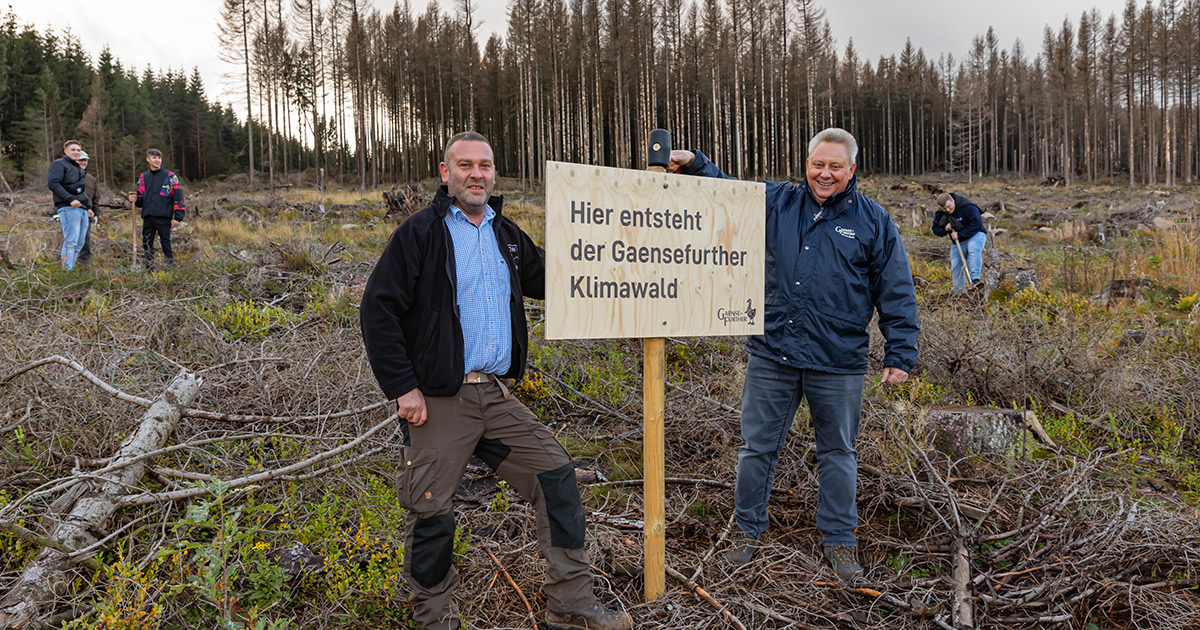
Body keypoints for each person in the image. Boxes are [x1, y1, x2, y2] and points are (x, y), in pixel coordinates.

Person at [359, 132, 632, 630]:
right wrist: (403, 387)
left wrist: (621, 266)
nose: (476, 174)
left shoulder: (504, 233)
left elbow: (551, 277)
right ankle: (433, 620)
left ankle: (570, 606)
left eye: (484, 165)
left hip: (494, 395)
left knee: (556, 475)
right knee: (431, 510)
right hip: (440, 399)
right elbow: (378, 311)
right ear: (446, 173)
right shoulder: (421, 233)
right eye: (465, 165)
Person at [669, 128, 919, 582]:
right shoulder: (778, 202)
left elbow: (896, 289)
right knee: (756, 448)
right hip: (773, 353)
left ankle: (841, 543)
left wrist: (900, 351)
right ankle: (747, 531)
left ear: (851, 169)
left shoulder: (873, 221)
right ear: (806, 164)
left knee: (838, 452)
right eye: (817, 164)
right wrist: (697, 164)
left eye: (835, 166)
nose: (825, 173)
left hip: (837, 360)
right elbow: (731, 191)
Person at [126, 148, 185, 269]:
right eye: (154, 158)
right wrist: (135, 199)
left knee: (166, 244)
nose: (157, 160)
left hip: (164, 217)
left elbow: (178, 196)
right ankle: (149, 269)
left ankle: (168, 269)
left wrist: (178, 217)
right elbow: (141, 200)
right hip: (148, 217)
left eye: (159, 158)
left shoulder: (170, 176)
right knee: (147, 245)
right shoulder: (143, 177)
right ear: (148, 159)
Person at [47, 139, 93, 270]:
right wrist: (70, 199)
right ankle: (66, 271)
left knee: (79, 243)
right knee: (70, 242)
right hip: (68, 208)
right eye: (73, 149)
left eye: (78, 150)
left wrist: (88, 207)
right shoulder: (59, 165)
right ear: (65, 151)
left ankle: (70, 268)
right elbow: (53, 184)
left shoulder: (78, 169)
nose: (76, 152)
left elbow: (81, 191)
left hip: (82, 209)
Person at [931, 192, 987, 292]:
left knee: (973, 247)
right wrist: (945, 228)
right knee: (956, 264)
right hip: (958, 241)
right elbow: (935, 230)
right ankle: (959, 293)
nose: (948, 210)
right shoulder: (941, 214)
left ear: (952, 200)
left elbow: (977, 223)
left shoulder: (967, 207)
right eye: (944, 209)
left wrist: (960, 234)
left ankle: (975, 280)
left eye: (949, 206)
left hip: (976, 234)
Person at [77, 151, 99, 267]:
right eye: (81, 160)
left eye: (85, 160)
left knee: (85, 240)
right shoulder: (68, 175)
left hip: (87, 213)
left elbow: (96, 198)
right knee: (69, 239)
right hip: (71, 212)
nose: (83, 162)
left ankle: (84, 264)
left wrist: (96, 214)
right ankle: (62, 263)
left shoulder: (91, 179)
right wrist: (57, 212)